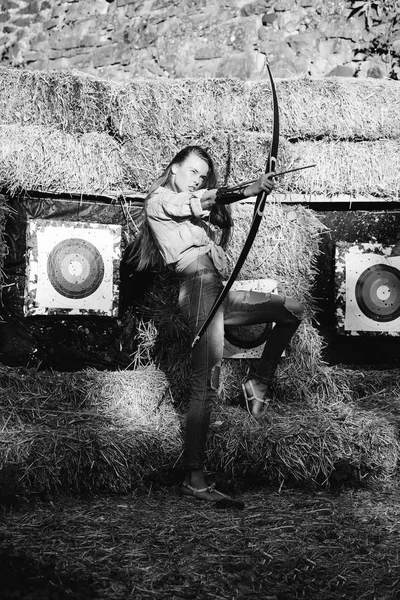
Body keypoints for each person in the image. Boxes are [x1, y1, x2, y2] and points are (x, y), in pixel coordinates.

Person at [126, 145, 304, 507]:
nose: (197, 180)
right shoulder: (160, 200)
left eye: (202, 176)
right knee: (205, 386)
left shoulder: (192, 219)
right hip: (197, 292)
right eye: (192, 171)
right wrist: (250, 189)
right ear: (174, 168)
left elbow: (204, 212)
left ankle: (258, 382)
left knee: (292, 309)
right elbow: (193, 202)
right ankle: (193, 478)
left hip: (215, 291)